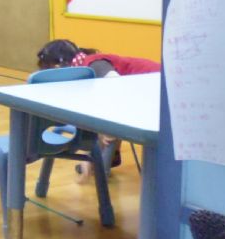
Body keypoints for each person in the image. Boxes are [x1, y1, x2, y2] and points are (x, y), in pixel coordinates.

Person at [36, 38, 161, 179]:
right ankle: (103, 160)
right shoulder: (84, 69)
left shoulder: (94, 64)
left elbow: (119, 89)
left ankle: (101, 163)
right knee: (107, 122)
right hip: (148, 93)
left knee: (109, 124)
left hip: (157, 91)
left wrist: (109, 129)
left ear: (57, 66)